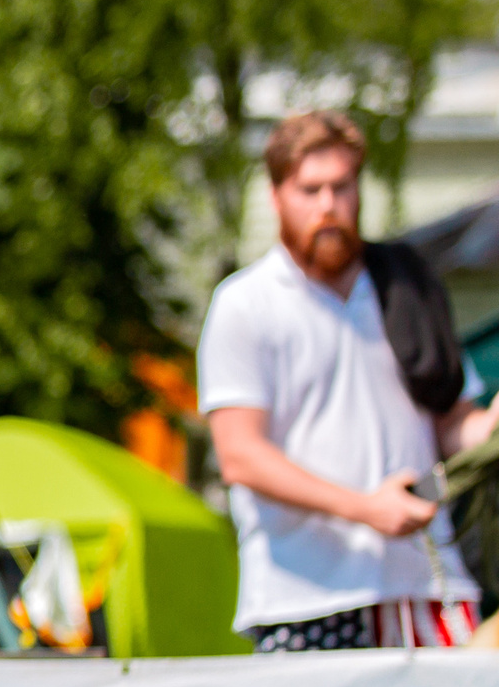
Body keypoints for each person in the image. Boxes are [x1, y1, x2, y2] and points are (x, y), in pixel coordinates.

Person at [200, 111, 495, 652]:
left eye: (341, 186)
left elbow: (453, 430)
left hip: (427, 587)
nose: (327, 205)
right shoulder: (245, 304)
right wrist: (365, 508)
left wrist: (491, 424)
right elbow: (239, 454)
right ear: (276, 196)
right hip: (307, 596)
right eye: (310, 189)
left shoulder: (407, 287)